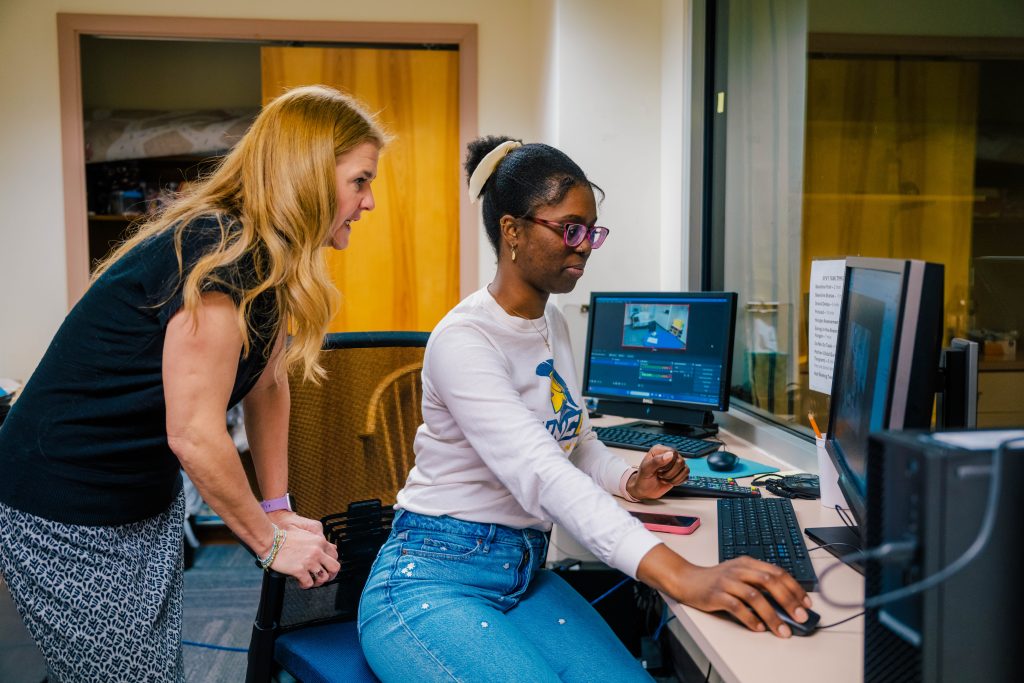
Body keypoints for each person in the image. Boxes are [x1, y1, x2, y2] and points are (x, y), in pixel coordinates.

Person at [357, 136, 814, 682]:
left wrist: (632, 481)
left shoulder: (553, 324)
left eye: (591, 231)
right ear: (512, 231)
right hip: (432, 578)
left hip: (521, 571)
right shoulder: (465, 340)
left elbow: (573, 442)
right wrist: (681, 575)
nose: (584, 247)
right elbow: (541, 472)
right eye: (570, 229)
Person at [0, 85, 388, 682]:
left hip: (138, 495)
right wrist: (270, 543)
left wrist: (277, 508)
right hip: (65, 503)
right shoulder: (219, 254)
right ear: (309, 175)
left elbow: (267, 386)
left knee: (145, 668)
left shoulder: (271, 259)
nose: (369, 202)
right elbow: (194, 433)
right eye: (360, 181)